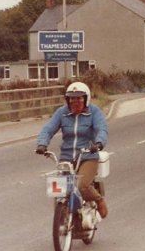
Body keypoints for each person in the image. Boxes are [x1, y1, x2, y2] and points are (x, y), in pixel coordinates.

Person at [35, 81, 109, 218]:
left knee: (82, 186)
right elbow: (48, 129)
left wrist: (98, 143)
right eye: (72, 98)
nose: (75, 102)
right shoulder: (62, 112)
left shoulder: (94, 112)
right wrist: (42, 144)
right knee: (59, 189)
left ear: (86, 99)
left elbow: (102, 129)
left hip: (87, 155)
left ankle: (99, 200)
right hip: (67, 157)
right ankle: (61, 218)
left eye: (79, 98)